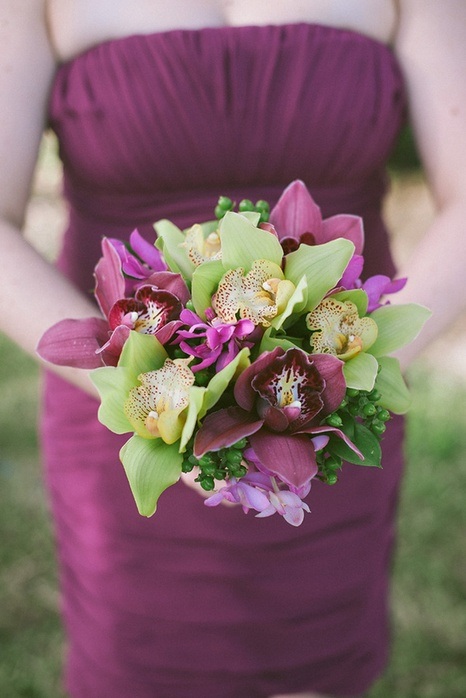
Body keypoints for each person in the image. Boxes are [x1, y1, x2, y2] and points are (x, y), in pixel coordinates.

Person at [1, 1, 465, 696]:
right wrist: (150, 398)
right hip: (133, 416)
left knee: (315, 661)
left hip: (325, 415)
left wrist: (336, 371)